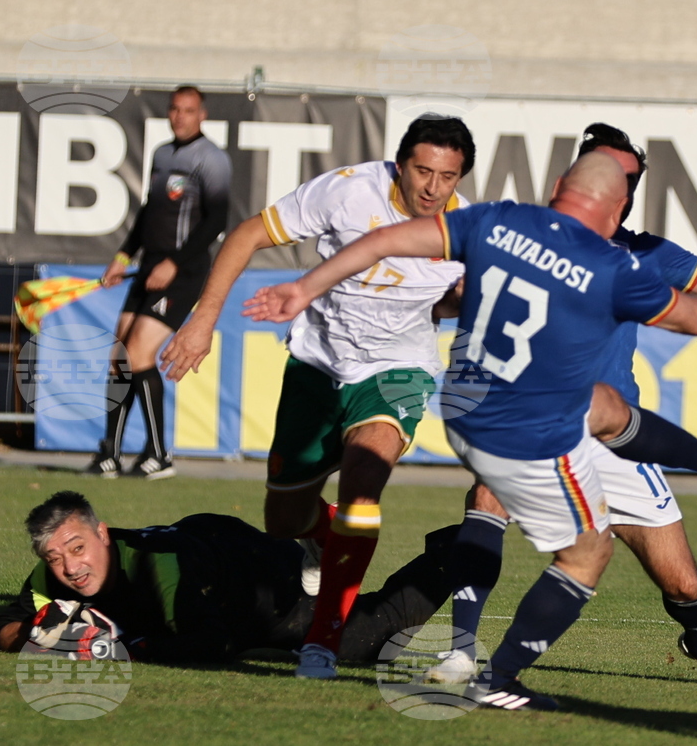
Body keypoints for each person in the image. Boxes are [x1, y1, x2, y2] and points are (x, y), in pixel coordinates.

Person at [242, 151, 697, 710]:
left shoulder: (498, 219)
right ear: (615, 212)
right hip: (534, 424)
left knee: (604, 406)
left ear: (558, 186)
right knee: (588, 553)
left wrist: (304, 288)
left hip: (469, 411)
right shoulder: (611, 265)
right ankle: (499, 679)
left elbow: (384, 242)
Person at [427, 123, 697, 690]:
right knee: (489, 495)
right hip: (535, 414)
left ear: (628, 192)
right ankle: (462, 653)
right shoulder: (522, 237)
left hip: (617, 435)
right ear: (577, 175)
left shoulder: (645, 253)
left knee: (681, 583)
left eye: (625, 175)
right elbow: (453, 299)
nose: (613, 180)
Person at [159, 115, 474, 679]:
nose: (433, 187)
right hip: (317, 366)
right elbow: (248, 233)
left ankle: (322, 642)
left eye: (447, 176)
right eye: (423, 171)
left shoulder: (465, 231)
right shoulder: (349, 190)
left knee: (364, 476)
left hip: (397, 370)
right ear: (398, 164)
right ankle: (318, 536)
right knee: (284, 519)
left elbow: (448, 303)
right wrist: (202, 320)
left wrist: (462, 300)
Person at [0, 491, 460, 664]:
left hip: (254, 574)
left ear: (102, 532)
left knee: (369, 640)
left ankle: (463, 544)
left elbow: (213, 646)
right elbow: (6, 628)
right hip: (206, 546)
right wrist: (42, 637)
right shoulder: (50, 574)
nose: (70, 568)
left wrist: (121, 647)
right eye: (55, 557)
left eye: (78, 548)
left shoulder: (158, 572)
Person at [86, 86, 232, 480]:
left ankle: (159, 454)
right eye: (175, 109)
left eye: (188, 110)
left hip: (181, 273)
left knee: (138, 355)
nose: (180, 116)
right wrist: (123, 256)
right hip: (148, 266)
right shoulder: (162, 154)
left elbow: (216, 221)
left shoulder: (211, 159)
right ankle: (109, 454)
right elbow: (150, 211)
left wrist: (174, 262)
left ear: (202, 115)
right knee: (120, 358)